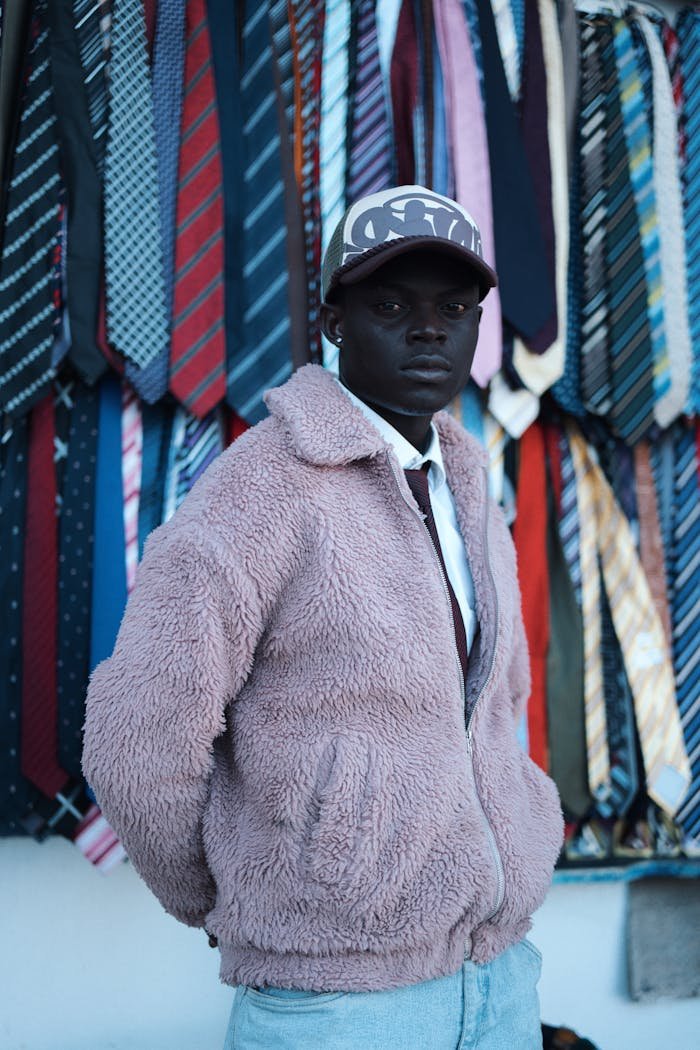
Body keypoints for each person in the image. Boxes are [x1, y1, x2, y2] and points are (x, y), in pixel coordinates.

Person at [82, 185, 564, 1050]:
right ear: (336, 324)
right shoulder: (262, 486)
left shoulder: (465, 479)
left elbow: (501, 703)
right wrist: (246, 901)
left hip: (499, 978)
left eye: (454, 309)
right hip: (336, 1004)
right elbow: (138, 735)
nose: (429, 331)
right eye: (392, 307)